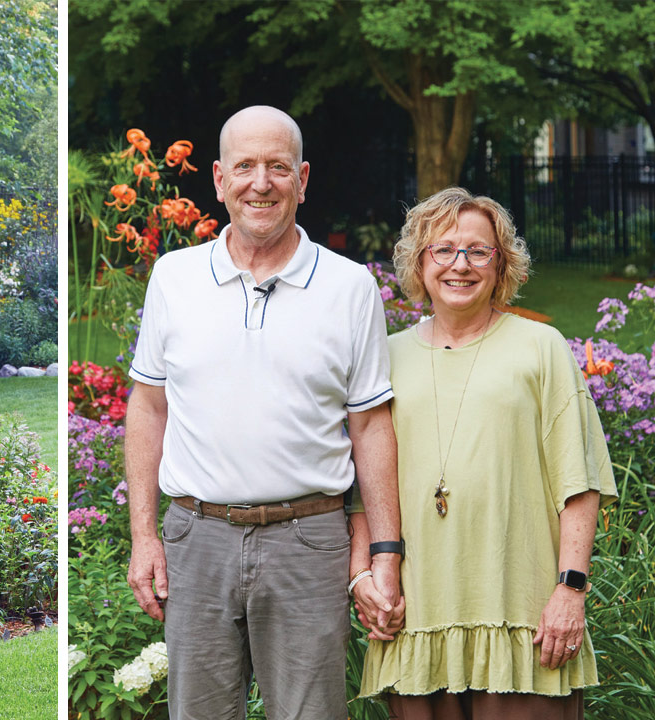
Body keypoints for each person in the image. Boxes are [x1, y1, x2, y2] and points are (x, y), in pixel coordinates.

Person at [125, 105, 404, 720]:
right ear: (219, 179)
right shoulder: (174, 277)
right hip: (196, 538)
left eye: (278, 167)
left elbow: (370, 425)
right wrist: (144, 535)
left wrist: (386, 553)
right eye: (246, 167)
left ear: (302, 179)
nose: (262, 183)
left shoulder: (350, 287)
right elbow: (147, 406)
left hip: (309, 541)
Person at [350, 187, 617, 720]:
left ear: (501, 265)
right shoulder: (386, 357)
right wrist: (363, 578)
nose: (460, 265)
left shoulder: (540, 348)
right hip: (419, 615)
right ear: (419, 262)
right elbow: (362, 488)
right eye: (443, 250)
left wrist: (571, 592)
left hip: (522, 615)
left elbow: (579, 483)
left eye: (478, 251)